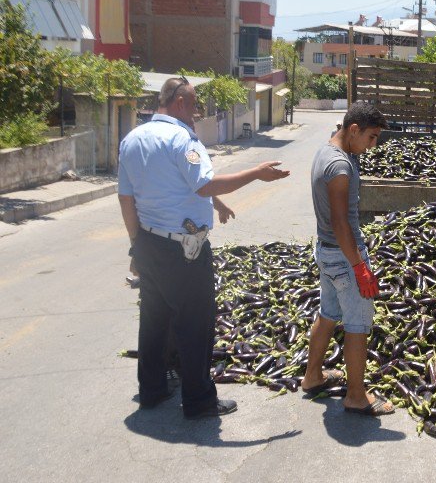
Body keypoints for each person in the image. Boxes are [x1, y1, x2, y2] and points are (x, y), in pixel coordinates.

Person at [118, 76, 291, 419]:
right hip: (184, 251)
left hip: (148, 243)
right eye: (195, 105)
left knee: (154, 319)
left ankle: (151, 390)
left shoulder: (133, 139)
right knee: (195, 323)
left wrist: (136, 244)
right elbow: (203, 183)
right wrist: (256, 172)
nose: (197, 113)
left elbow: (129, 197)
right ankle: (199, 401)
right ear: (180, 102)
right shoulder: (183, 139)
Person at [301, 102, 395, 416]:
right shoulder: (339, 166)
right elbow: (341, 222)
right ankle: (356, 396)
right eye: (371, 137)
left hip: (326, 251)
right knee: (357, 325)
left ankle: (312, 376)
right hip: (343, 256)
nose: (373, 145)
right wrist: (360, 268)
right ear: (353, 129)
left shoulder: (326, 152)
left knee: (328, 313)